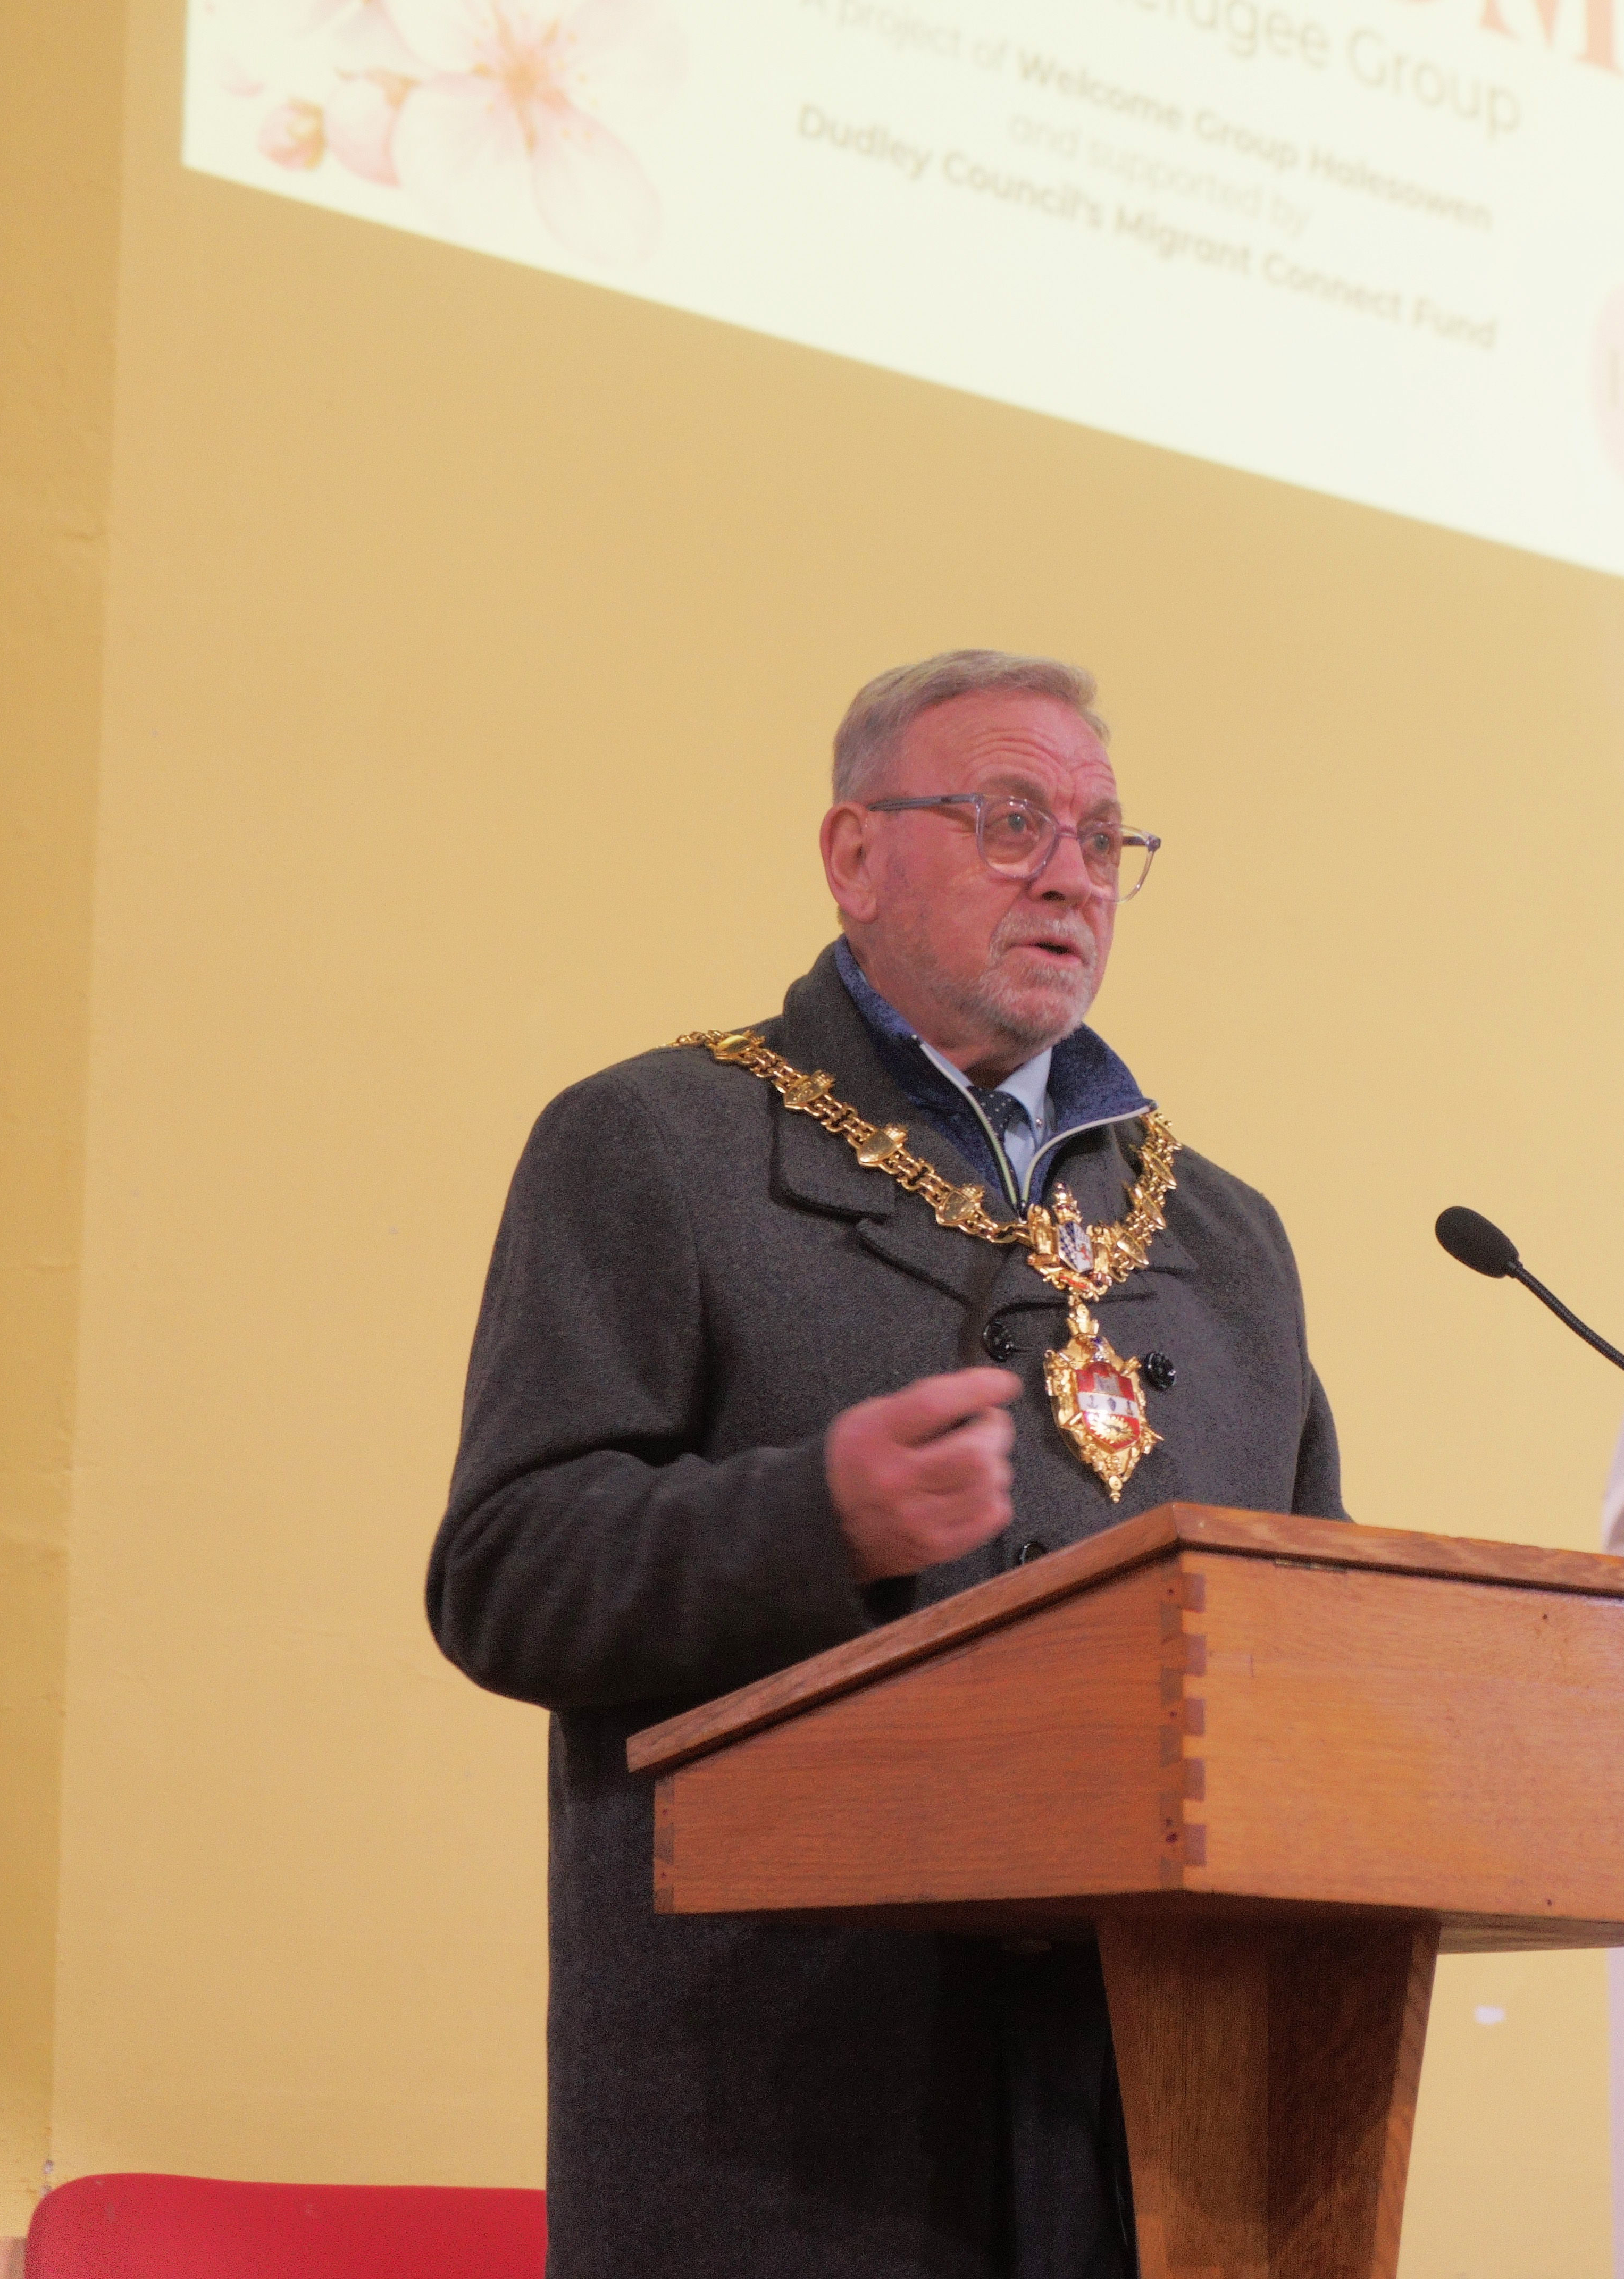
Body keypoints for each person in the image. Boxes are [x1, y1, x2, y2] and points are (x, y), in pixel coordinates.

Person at [428, 648, 1344, 2279]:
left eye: (1101, 838)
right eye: (1010, 821)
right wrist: (814, 1516)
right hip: (793, 2124)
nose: (1069, 874)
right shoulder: (661, 1147)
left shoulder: (1223, 1237)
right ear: (854, 856)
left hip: (1166, 2123)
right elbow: (505, 1576)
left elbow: (1311, 1641)